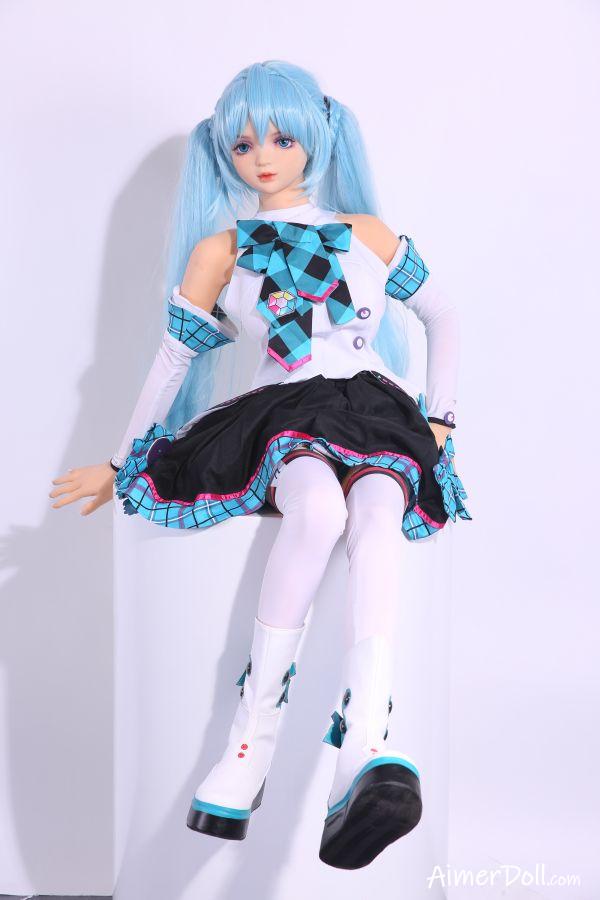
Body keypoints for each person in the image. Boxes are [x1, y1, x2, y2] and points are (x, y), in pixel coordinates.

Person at [49, 59, 471, 870]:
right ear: (224, 152)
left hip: (372, 407)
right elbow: (172, 361)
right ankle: (250, 744)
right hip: (281, 412)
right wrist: (119, 462)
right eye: (242, 145)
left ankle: (365, 743)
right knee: (317, 510)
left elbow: (444, 314)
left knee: (379, 508)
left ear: (315, 135)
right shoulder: (219, 251)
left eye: (280, 138)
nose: (263, 157)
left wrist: (442, 417)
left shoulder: (365, 233)